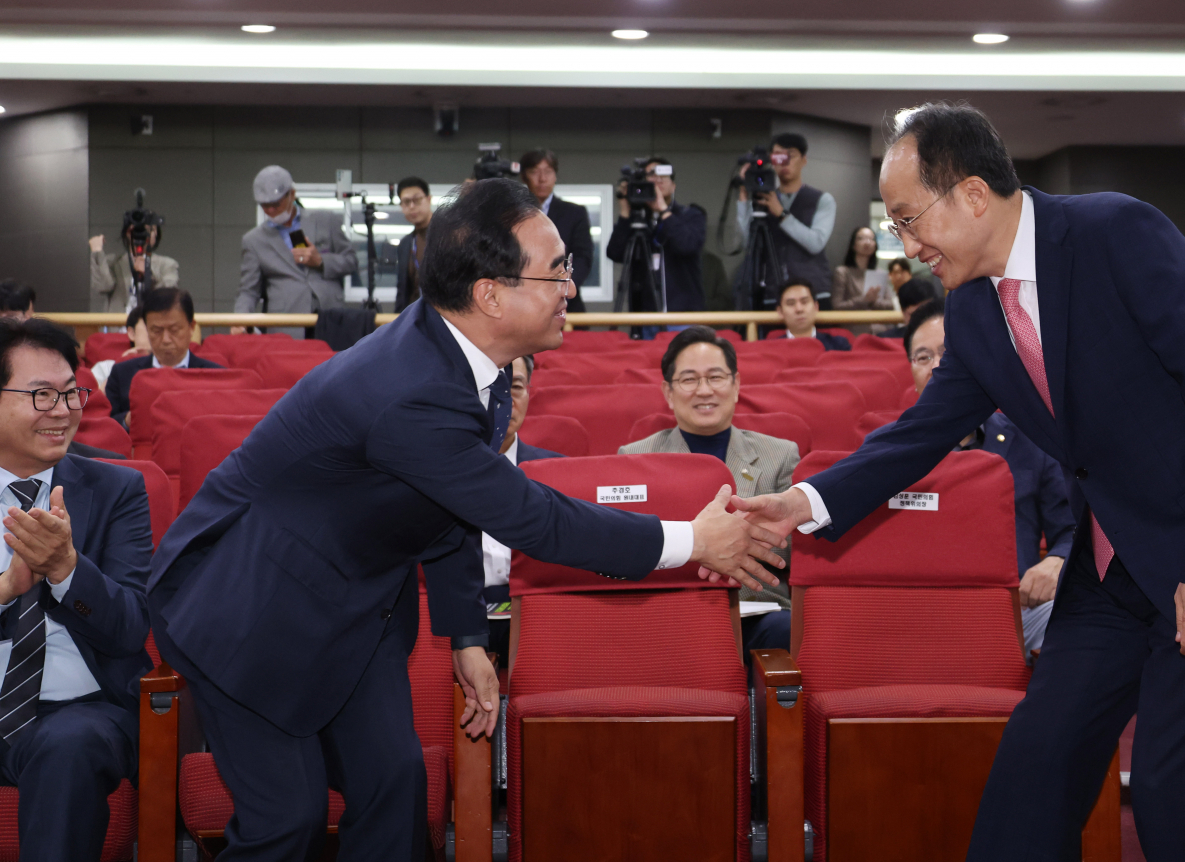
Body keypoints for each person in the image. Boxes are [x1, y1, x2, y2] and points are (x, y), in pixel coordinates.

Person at [146, 178, 784, 861]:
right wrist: (691, 540)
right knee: (286, 821)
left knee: (394, 785)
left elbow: (447, 507)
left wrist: (465, 636)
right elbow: (529, 518)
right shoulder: (412, 391)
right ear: (490, 293)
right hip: (245, 608)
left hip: (350, 603)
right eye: (558, 269)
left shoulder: (467, 360)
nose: (572, 284)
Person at [729, 102, 1185, 862]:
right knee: (1034, 771)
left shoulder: (1117, 233)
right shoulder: (975, 308)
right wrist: (806, 501)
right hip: (1113, 568)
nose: (907, 244)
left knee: (1174, 800)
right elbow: (923, 431)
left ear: (974, 195)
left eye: (910, 219)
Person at [0, 318, 153, 860]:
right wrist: (6, 589)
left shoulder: (118, 489)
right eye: (41, 394)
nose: (62, 410)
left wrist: (66, 569)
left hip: (82, 708)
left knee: (68, 748)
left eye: (71, 393)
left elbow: (133, 625)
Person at [893, 298, 1073, 655]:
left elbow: (1071, 528)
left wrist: (1058, 560)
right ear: (911, 369)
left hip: (1015, 612)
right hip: (920, 615)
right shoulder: (889, 452)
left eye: (948, 352)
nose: (936, 366)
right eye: (923, 357)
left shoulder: (1031, 438)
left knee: (1078, 621)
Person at [620, 326, 799, 655]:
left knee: (788, 631)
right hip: (670, 611)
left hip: (755, 611)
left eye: (716, 377)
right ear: (669, 392)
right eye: (689, 379)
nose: (704, 390)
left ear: (736, 386)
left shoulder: (781, 455)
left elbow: (791, 555)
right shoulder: (633, 457)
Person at [482, 354, 561, 666]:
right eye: (492, 386)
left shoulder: (558, 472)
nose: (505, 398)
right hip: (456, 623)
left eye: (515, 386)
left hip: (539, 617)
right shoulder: (435, 470)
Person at [233, 166, 358, 335]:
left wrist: (321, 261)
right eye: (264, 205)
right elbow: (249, 290)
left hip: (330, 318)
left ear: (292, 194)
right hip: (285, 324)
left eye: (276, 204)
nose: (270, 210)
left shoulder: (326, 221)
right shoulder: (254, 240)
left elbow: (351, 261)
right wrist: (239, 319)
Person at [735, 132, 837, 309]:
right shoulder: (762, 199)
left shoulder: (822, 199)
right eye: (779, 156)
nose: (785, 161)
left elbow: (815, 243)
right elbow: (746, 244)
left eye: (791, 155)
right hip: (773, 293)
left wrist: (781, 213)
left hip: (813, 294)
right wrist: (744, 198)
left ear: (804, 160)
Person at [105, 288, 222, 427]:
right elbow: (107, 427)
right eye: (156, 331)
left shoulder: (216, 375)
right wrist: (129, 420)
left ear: (191, 327)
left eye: (174, 330)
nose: (166, 339)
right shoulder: (122, 374)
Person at [606, 157, 707, 316]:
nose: (657, 179)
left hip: (683, 314)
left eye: (663, 175)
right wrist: (625, 213)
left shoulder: (691, 215)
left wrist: (663, 211)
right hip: (645, 315)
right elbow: (615, 253)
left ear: (673, 186)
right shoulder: (636, 220)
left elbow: (687, 245)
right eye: (651, 175)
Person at [520, 149, 591, 314]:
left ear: (555, 175)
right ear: (524, 176)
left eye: (548, 172)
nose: (542, 179)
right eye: (534, 172)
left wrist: (563, 287)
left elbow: (583, 258)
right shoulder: (513, 213)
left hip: (567, 302)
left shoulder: (574, 213)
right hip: (522, 300)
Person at [89, 224, 178, 314]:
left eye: (149, 230)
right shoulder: (114, 262)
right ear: (127, 233)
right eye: (138, 229)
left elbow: (169, 295)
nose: (142, 234)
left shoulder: (167, 264)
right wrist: (97, 251)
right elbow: (103, 287)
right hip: (118, 323)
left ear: (156, 235)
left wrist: (148, 275)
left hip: (153, 324)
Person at [775, 280, 851, 350]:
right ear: (780, 311)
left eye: (804, 302)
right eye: (791, 304)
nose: (799, 309)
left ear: (816, 307)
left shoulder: (838, 345)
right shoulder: (771, 348)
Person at [831, 226, 893, 312]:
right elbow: (837, 306)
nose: (867, 242)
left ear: (875, 245)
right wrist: (863, 300)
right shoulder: (842, 272)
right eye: (861, 239)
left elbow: (891, 305)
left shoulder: (880, 273)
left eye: (871, 239)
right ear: (853, 245)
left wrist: (873, 301)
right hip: (853, 322)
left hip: (879, 322)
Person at [393, 177, 432, 313]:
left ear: (429, 199)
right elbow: (402, 291)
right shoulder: (406, 243)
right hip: (414, 319)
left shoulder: (448, 235)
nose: (411, 206)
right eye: (406, 202)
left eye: (416, 200)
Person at [90, 306, 151, 389]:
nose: (162, 337)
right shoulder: (105, 369)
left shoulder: (172, 367)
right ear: (132, 333)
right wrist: (119, 368)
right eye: (152, 328)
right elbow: (90, 400)